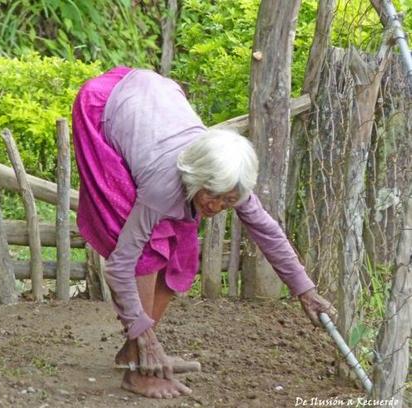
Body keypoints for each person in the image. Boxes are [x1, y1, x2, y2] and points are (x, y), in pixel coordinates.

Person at [72, 66, 335, 399]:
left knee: (181, 253)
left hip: (152, 100)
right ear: (196, 179)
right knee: (149, 251)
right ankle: (138, 370)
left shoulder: (230, 182)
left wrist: (304, 290)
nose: (217, 206)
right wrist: (146, 335)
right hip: (103, 107)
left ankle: (132, 354)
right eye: (212, 194)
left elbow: (266, 230)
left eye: (228, 200)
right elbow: (121, 263)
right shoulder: (162, 186)